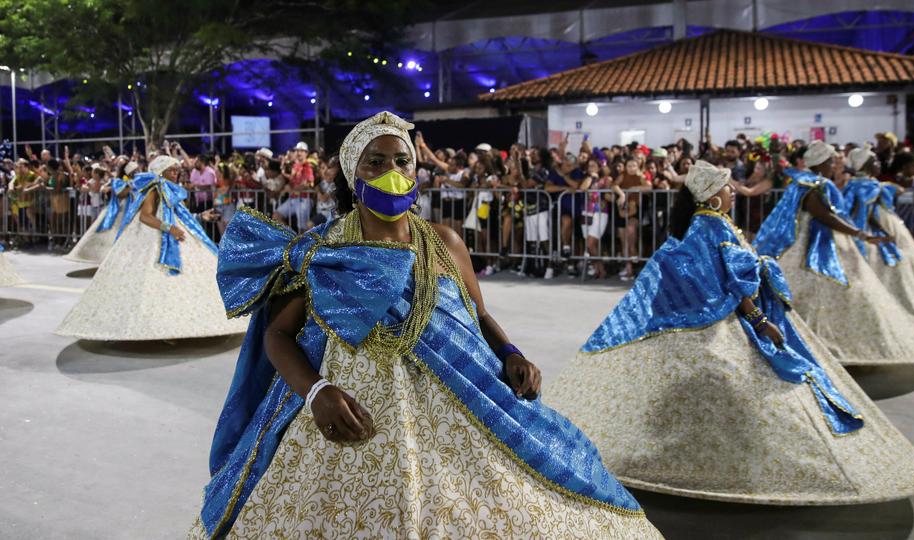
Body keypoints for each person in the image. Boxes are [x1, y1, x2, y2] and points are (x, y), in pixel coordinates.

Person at [190, 112, 661, 539]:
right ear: (353, 175)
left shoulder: (444, 242)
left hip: (462, 400)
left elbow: (477, 314)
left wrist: (510, 352)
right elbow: (277, 335)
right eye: (376, 162)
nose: (392, 174)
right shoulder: (323, 250)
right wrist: (316, 392)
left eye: (403, 162)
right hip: (350, 417)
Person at [543, 160, 914, 505]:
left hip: (720, 312)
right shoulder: (712, 226)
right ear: (711, 194)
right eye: (727, 186)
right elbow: (732, 280)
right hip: (726, 317)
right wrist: (757, 319)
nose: (734, 191)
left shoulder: (706, 224)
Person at [754, 141, 914, 365]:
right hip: (816, 245)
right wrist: (860, 234)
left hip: (818, 240)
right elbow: (826, 216)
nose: (834, 165)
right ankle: (815, 342)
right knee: (821, 289)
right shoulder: (815, 184)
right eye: (831, 161)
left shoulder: (804, 181)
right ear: (822, 162)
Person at [55, 156, 247, 341]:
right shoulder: (153, 188)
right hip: (151, 239)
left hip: (175, 233)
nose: (176, 173)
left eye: (177, 170)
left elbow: (181, 215)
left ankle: (180, 323)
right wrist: (168, 228)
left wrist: (201, 216)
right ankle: (160, 327)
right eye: (171, 170)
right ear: (160, 172)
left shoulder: (171, 189)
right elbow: (145, 216)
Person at [843, 148, 914, 330]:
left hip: (882, 226)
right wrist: (876, 233)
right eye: (875, 162)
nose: (879, 165)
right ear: (866, 165)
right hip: (872, 229)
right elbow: (863, 213)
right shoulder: (866, 186)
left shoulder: (863, 184)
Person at [63, 168, 134, 265]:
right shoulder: (116, 181)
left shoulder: (134, 182)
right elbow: (108, 190)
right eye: (133, 172)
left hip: (126, 209)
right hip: (115, 208)